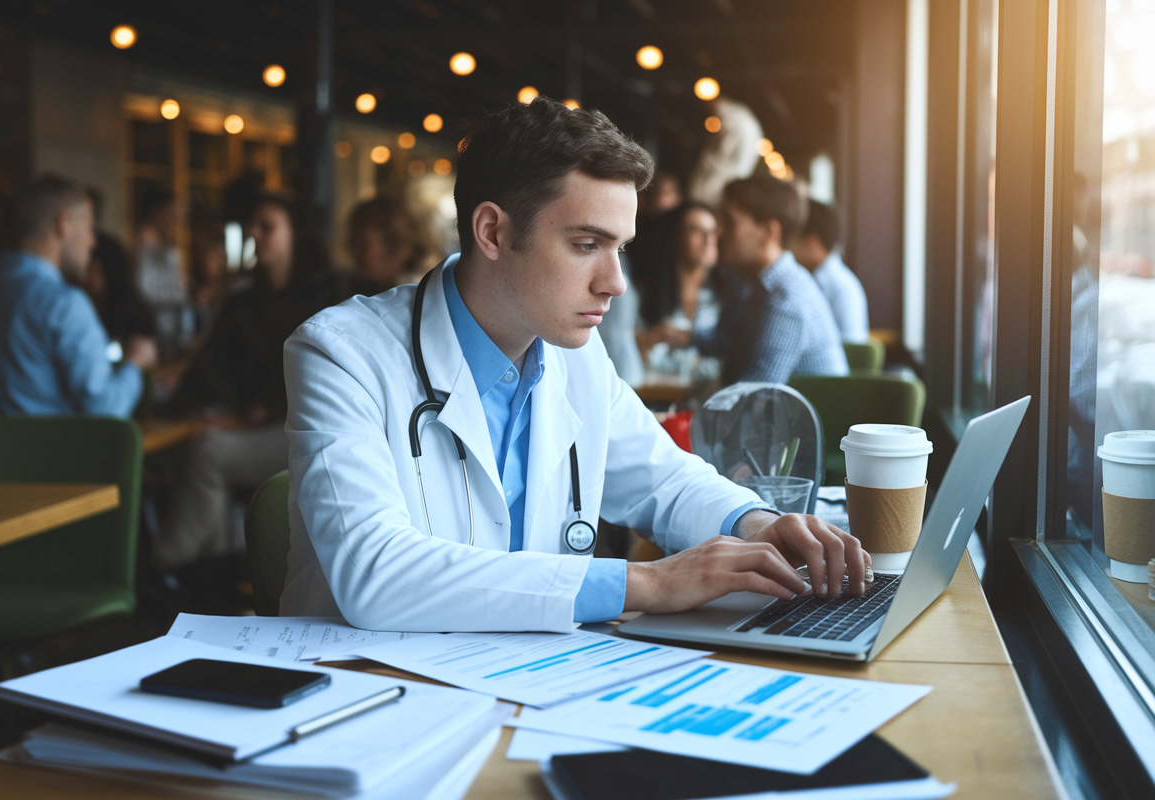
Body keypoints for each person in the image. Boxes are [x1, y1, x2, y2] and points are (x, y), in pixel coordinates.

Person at [279, 97, 869, 632]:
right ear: (492, 230)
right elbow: (375, 574)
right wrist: (646, 584)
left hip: (531, 687)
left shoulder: (574, 356)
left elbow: (665, 480)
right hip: (373, 698)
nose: (613, 283)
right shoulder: (341, 354)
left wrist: (756, 524)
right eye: (587, 245)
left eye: (620, 249)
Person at [154, 194, 341, 573]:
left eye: (267, 227)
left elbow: (318, 377)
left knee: (207, 452)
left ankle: (167, 564)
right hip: (258, 426)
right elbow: (207, 370)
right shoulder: (243, 301)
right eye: (253, 226)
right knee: (180, 451)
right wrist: (180, 406)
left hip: (307, 434)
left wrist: (250, 416)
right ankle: (209, 571)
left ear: (295, 235)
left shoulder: (326, 296)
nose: (255, 234)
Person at [0, 175, 156, 416]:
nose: (93, 242)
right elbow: (106, 411)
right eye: (89, 228)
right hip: (44, 454)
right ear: (63, 225)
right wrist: (135, 364)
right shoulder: (64, 305)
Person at [698, 176, 849, 385]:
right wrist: (682, 337)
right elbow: (727, 344)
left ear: (769, 232)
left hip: (810, 417)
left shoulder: (786, 297)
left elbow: (756, 394)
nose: (716, 233)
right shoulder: (752, 284)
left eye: (729, 221)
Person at [633, 203, 722, 377]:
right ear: (675, 237)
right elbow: (623, 347)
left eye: (712, 232)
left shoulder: (724, 290)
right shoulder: (648, 288)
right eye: (696, 230)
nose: (708, 239)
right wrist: (652, 337)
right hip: (657, 390)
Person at [790, 201, 869, 344]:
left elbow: (852, 350)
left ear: (811, 243)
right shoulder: (813, 278)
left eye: (790, 240)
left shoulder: (842, 288)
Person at [344, 196, 434, 296]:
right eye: (355, 240)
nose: (366, 257)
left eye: (360, 241)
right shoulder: (339, 289)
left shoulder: (421, 295)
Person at [84, 232, 158, 345]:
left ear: (107, 270)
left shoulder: (135, 320)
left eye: (89, 267)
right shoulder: (88, 308)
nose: (84, 276)